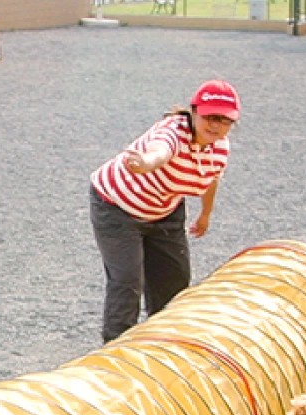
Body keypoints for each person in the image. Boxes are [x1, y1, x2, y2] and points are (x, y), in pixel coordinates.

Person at [89, 80, 239, 343]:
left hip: (165, 210)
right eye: (209, 117)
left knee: (175, 283)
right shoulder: (173, 131)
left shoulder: (220, 147)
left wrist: (205, 214)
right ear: (194, 112)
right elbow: (160, 150)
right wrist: (145, 163)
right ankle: (115, 350)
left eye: (224, 120)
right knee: (127, 280)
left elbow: (211, 178)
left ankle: (164, 345)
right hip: (117, 207)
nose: (216, 125)